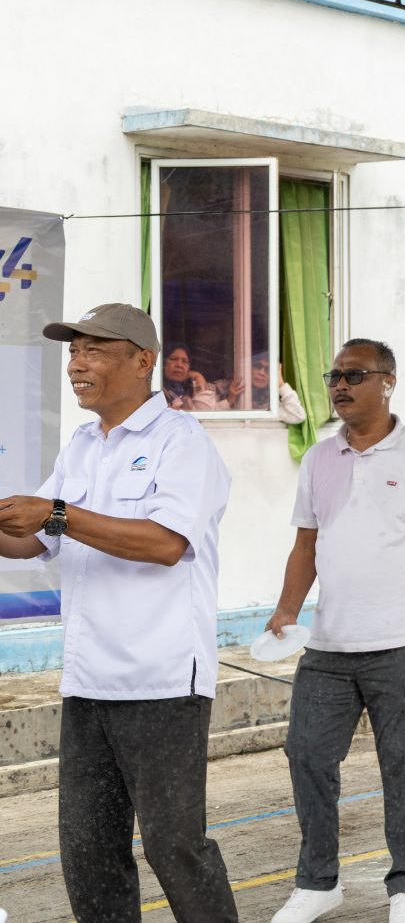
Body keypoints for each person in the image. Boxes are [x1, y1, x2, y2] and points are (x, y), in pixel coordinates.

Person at [0, 303, 237, 922]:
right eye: (73, 352)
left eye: (94, 351)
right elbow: (36, 541)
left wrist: (54, 513)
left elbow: (165, 543)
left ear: (142, 362)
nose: (78, 364)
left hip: (160, 682)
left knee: (174, 846)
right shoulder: (82, 445)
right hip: (87, 682)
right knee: (89, 853)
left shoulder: (182, 443)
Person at [266, 338, 405, 923]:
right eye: (333, 374)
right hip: (329, 645)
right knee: (307, 755)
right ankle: (318, 883)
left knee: (402, 767)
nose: (339, 385)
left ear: (387, 381)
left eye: (353, 375)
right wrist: (287, 610)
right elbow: (305, 545)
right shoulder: (318, 458)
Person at [161, 343, 230, 411]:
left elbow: (208, 413)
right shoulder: (157, 391)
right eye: (173, 359)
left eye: (184, 361)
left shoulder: (187, 391)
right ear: (163, 364)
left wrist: (198, 377)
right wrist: (199, 377)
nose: (179, 365)